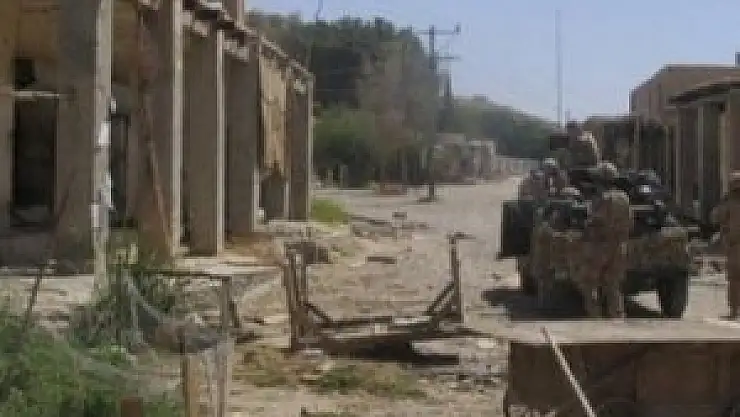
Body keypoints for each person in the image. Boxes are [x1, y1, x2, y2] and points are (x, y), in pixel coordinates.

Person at [577, 161, 632, 317]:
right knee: (613, 283)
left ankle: (595, 316)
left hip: (601, 245)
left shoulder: (602, 198)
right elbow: (630, 221)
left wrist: (585, 225)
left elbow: (595, 220)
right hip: (619, 245)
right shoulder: (624, 197)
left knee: (590, 282)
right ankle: (617, 315)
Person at [711, 171, 740, 319]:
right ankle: (734, 310)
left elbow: (716, 217)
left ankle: (734, 310)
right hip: (734, 245)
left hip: (735, 246)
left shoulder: (729, 202)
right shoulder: (729, 202)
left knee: (734, 279)